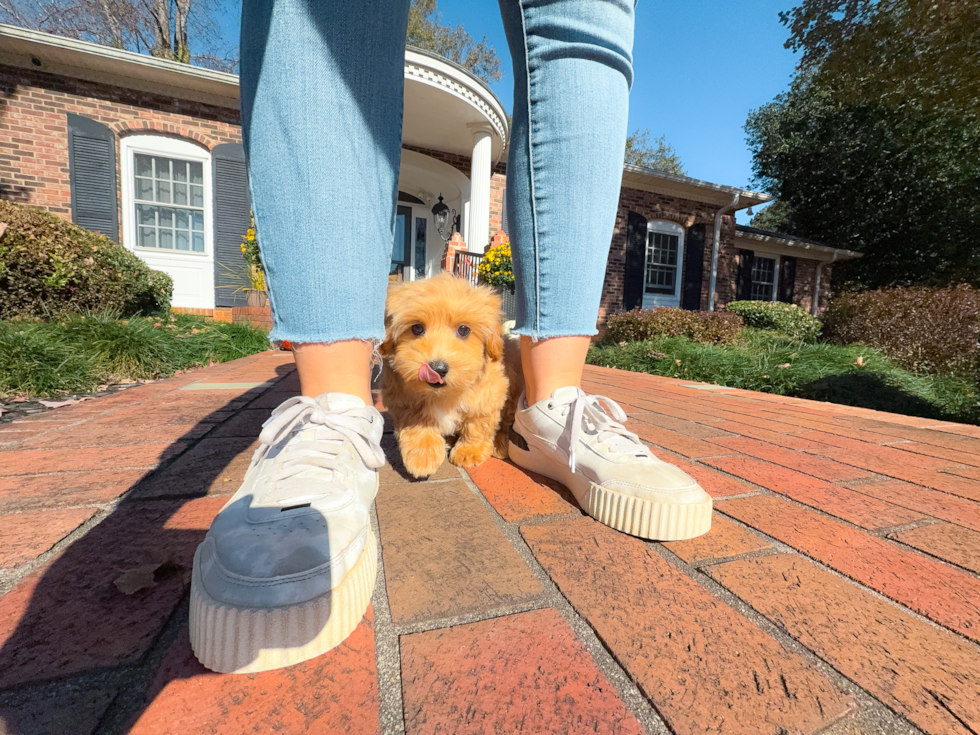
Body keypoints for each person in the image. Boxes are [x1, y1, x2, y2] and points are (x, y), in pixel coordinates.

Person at [189, 0, 712, 674]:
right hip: (389, 385)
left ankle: (554, 406)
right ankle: (335, 408)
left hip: (490, 396)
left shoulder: (487, 352)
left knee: (585, 17)